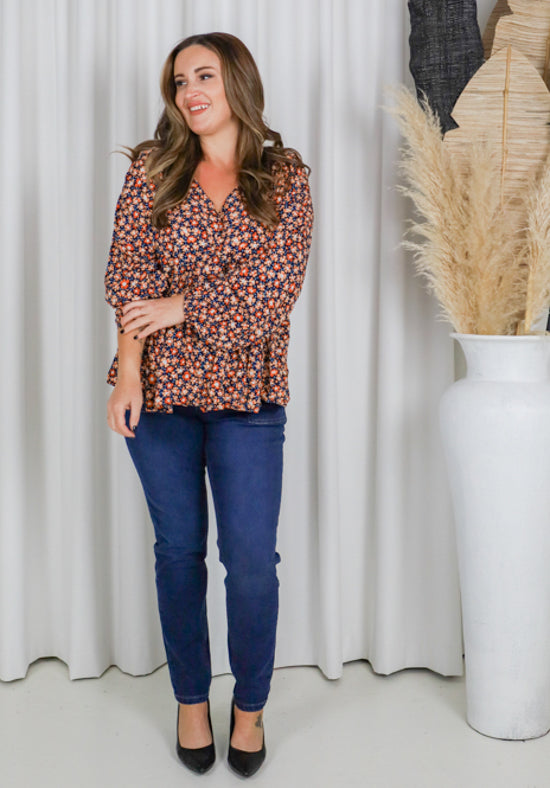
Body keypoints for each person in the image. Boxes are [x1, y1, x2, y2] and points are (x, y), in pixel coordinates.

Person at [104, 32, 314, 778]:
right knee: (177, 555)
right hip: (158, 398)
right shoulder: (151, 170)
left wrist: (180, 306)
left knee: (252, 562)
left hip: (248, 398)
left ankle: (249, 708)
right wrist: (128, 375)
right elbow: (127, 280)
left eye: (204, 76)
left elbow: (273, 289)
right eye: (179, 81)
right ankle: (192, 700)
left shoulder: (284, 175)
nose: (190, 92)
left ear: (238, 83)